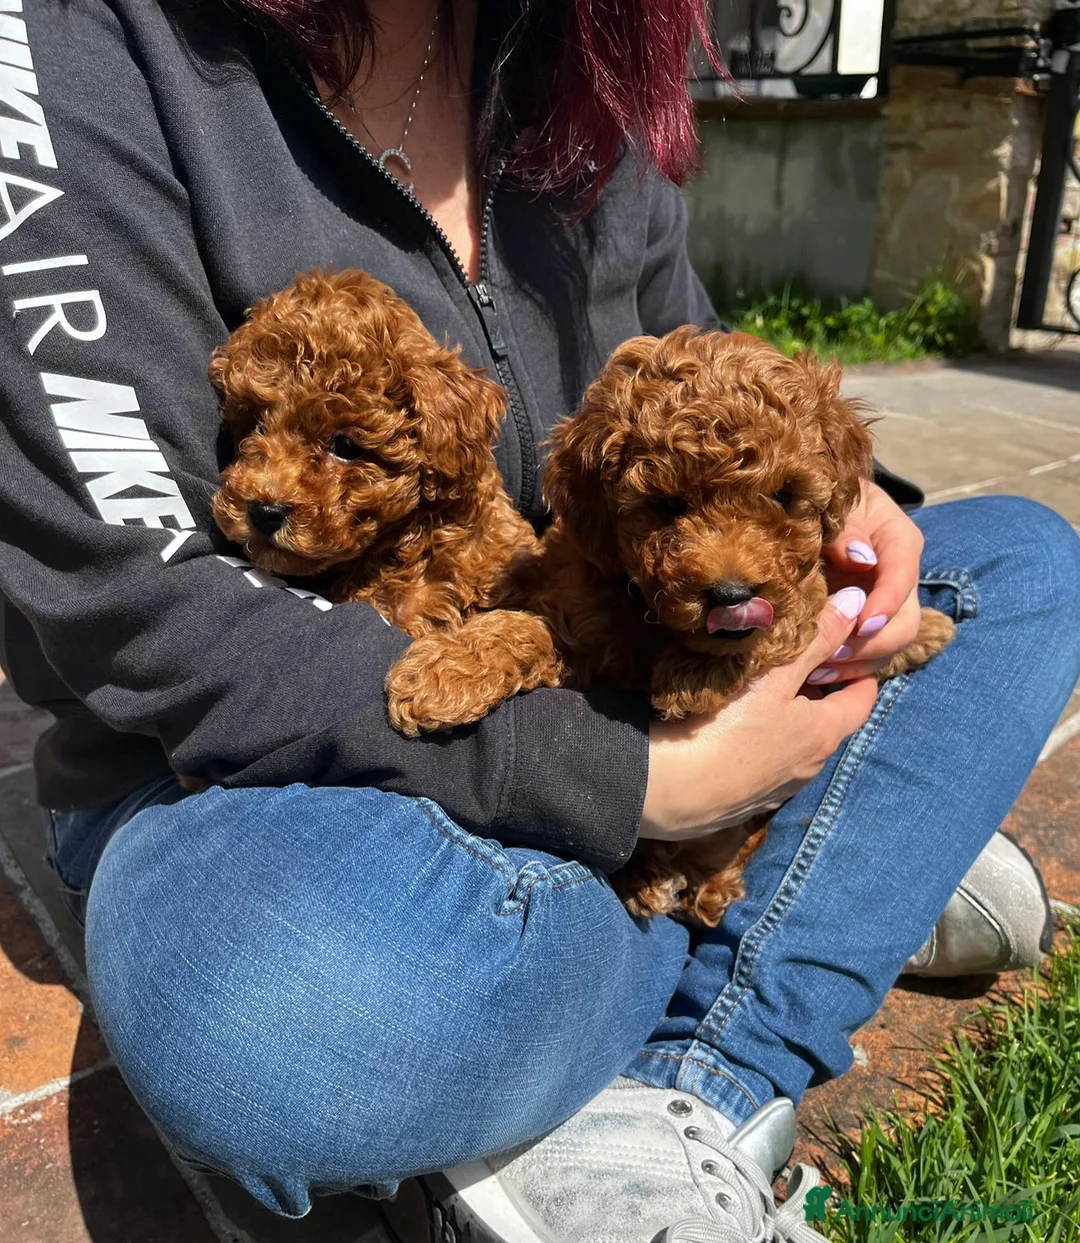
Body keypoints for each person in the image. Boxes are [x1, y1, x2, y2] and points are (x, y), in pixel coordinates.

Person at [0, 0, 1076, 1239]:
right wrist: (640, 786)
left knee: (1024, 574)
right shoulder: (68, 37)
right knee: (260, 1011)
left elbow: (685, 342)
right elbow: (141, 601)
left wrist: (845, 509)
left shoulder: (580, 50)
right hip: (246, 776)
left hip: (600, 650)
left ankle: (680, 1064)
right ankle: (828, 876)